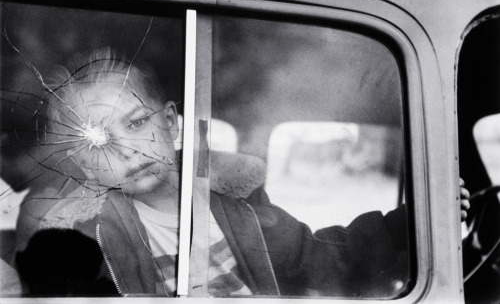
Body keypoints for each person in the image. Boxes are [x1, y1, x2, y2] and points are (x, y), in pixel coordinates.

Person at [15, 48, 470, 298]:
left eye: (136, 123)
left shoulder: (242, 210)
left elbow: (331, 258)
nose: (129, 150)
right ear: (84, 161)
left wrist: (416, 225)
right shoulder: (86, 237)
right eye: (99, 141)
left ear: (171, 124)